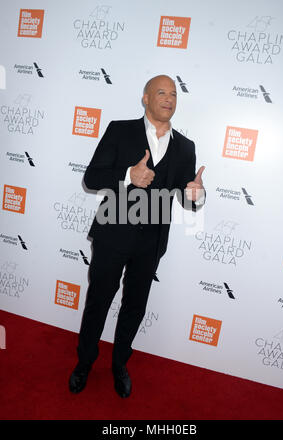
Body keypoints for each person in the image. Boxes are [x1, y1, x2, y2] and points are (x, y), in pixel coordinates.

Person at [69, 74, 206, 397]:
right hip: (113, 231)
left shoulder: (186, 147)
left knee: (135, 306)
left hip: (151, 242)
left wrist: (196, 195)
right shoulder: (120, 130)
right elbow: (91, 178)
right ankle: (84, 363)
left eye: (173, 93)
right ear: (145, 98)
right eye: (160, 92)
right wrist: (128, 175)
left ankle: (120, 364)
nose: (168, 98)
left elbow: (187, 194)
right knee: (98, 302)